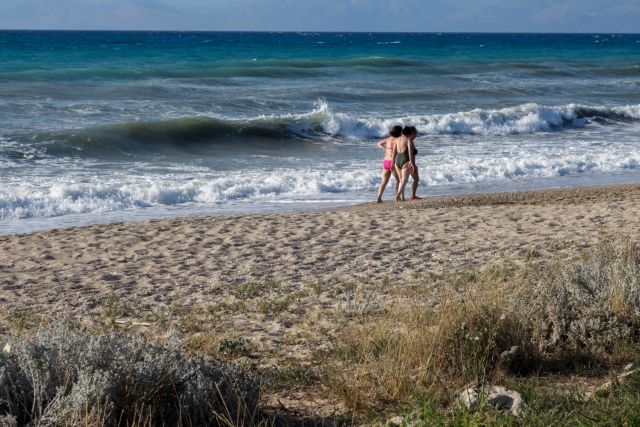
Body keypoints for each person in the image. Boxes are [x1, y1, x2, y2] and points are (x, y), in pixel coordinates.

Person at [375, 125, 402, 203]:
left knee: (383, 181)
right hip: (393, 162)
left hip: (386, 162)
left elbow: (379, 143)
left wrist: (385, 149)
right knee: (399, 180)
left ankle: (378, 198)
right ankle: (398, 197)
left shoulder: (388, 139)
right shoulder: (398, 140)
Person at [394, 125, 420, 201]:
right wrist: (412, 163)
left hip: (397, 160)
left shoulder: (397, 139)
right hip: (406, 160)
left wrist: (393, 162)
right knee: (405, 180)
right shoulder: (408, 140)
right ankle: (398, 195)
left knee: (401, 180)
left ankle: (402, 198)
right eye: (413, 133)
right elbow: (410, 153)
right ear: (410, 133)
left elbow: (394, 152)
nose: (414, 135)